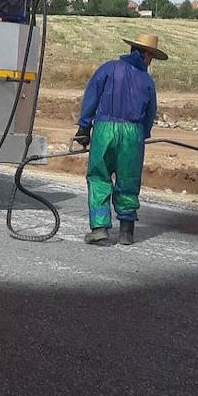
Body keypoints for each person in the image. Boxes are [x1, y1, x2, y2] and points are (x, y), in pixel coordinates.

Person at [75, 33, 168, 246]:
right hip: (132, 132)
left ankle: (99, 227)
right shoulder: (147, 81)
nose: (151, 61)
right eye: (151, 56)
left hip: (105, 129)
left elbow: (92, 96)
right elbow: (150, 112)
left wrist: (84, 127)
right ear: (145, 54)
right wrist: (140, 137)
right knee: (129, 180)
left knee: (99, 177)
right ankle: (127, 232)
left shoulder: (108, 69)